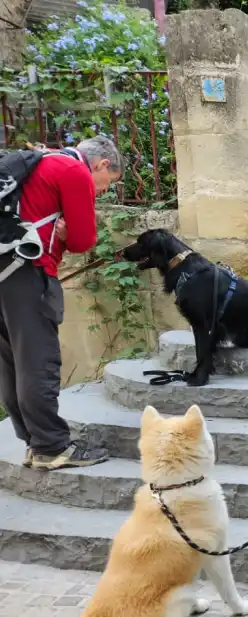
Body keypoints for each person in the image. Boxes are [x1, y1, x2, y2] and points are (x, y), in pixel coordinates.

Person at [0, 135, 123, 470]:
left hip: (5, 269)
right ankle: (51, 447)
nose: (103, 191)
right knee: (38, 361)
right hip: (29, 272)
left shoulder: (40, 162)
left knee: (11, 363)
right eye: (107, 182)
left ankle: (34, 442)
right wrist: (68, 236)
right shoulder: (73, 170)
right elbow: (84, 239)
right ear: (101, 164)